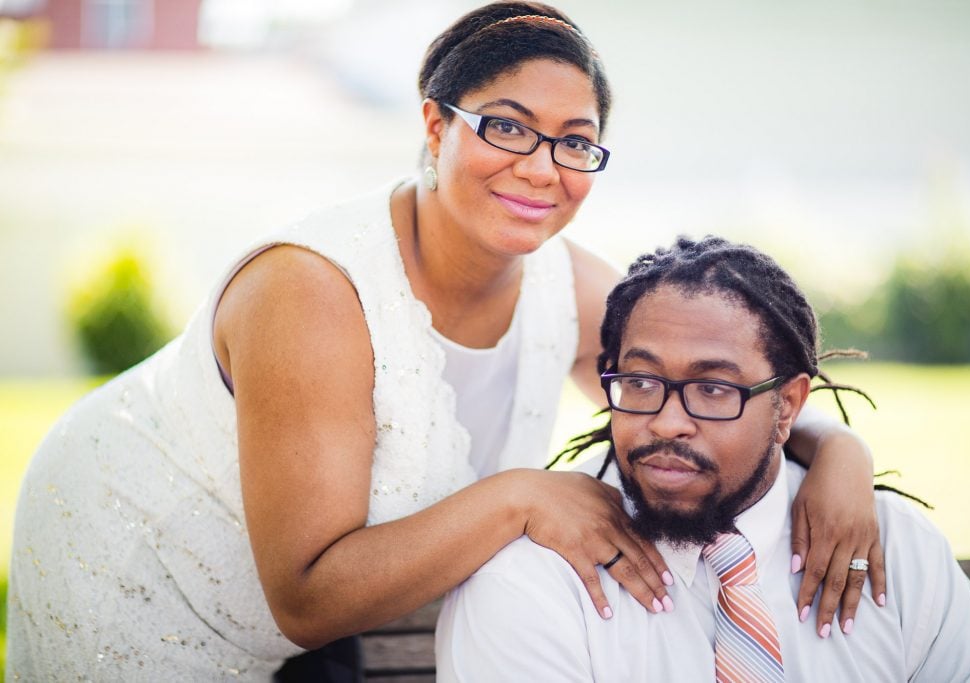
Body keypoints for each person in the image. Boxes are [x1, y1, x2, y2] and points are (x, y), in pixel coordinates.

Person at [7, 4, 881, 680]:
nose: (542, 166)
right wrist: (521, 498)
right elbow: (308, 595)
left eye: (576, 143)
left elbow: (706, 386)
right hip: (137, 560)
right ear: (435, 127)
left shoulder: (569, 285)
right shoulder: (311, 293)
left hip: (338, 621)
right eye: (507, 126)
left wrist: (838, 446)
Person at [435, 235, 970, 682]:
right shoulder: (534, 577)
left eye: (714, 389)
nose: (665, 421)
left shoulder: (898, 553)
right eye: (639, 381)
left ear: (787, 406)